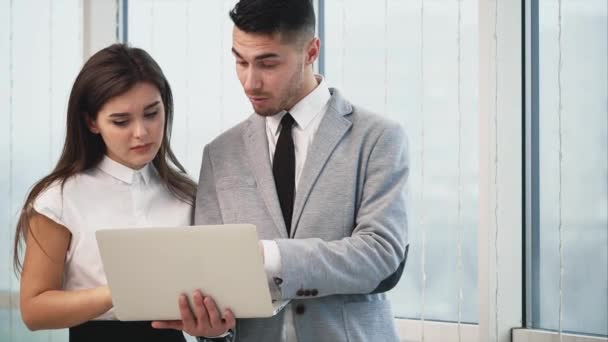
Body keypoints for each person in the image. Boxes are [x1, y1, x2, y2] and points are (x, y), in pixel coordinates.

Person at [153, 0, 409, 341]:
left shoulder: (378, 138)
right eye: (240, 61)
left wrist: (269, 256)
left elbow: (381, 253)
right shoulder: (219, 153)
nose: (250, 81)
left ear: (311, 51)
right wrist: (212, 332)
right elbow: (212, 278)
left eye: (268, 63)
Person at [13, 43, 196, 342]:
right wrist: (118, 292)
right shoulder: (58, 199)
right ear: (91, 122)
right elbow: (34, 310)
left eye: (152, 113)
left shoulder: (187, 195)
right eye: (121, 121)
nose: (142, 132)